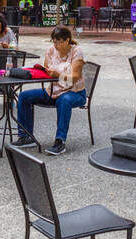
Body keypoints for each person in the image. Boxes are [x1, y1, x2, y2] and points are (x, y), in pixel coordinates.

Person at [12, 26, 86, 156]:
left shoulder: (77, 52)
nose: (56, 45)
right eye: (54, 41)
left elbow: (75, 77)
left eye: (59, 42)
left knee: (64, 100)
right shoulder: (50, 51)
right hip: (52, 91)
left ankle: (60, 141)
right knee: (24, 96)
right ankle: (26, 136)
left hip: (75, 92)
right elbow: (46, 71)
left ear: (67, 40)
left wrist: (57, 75)